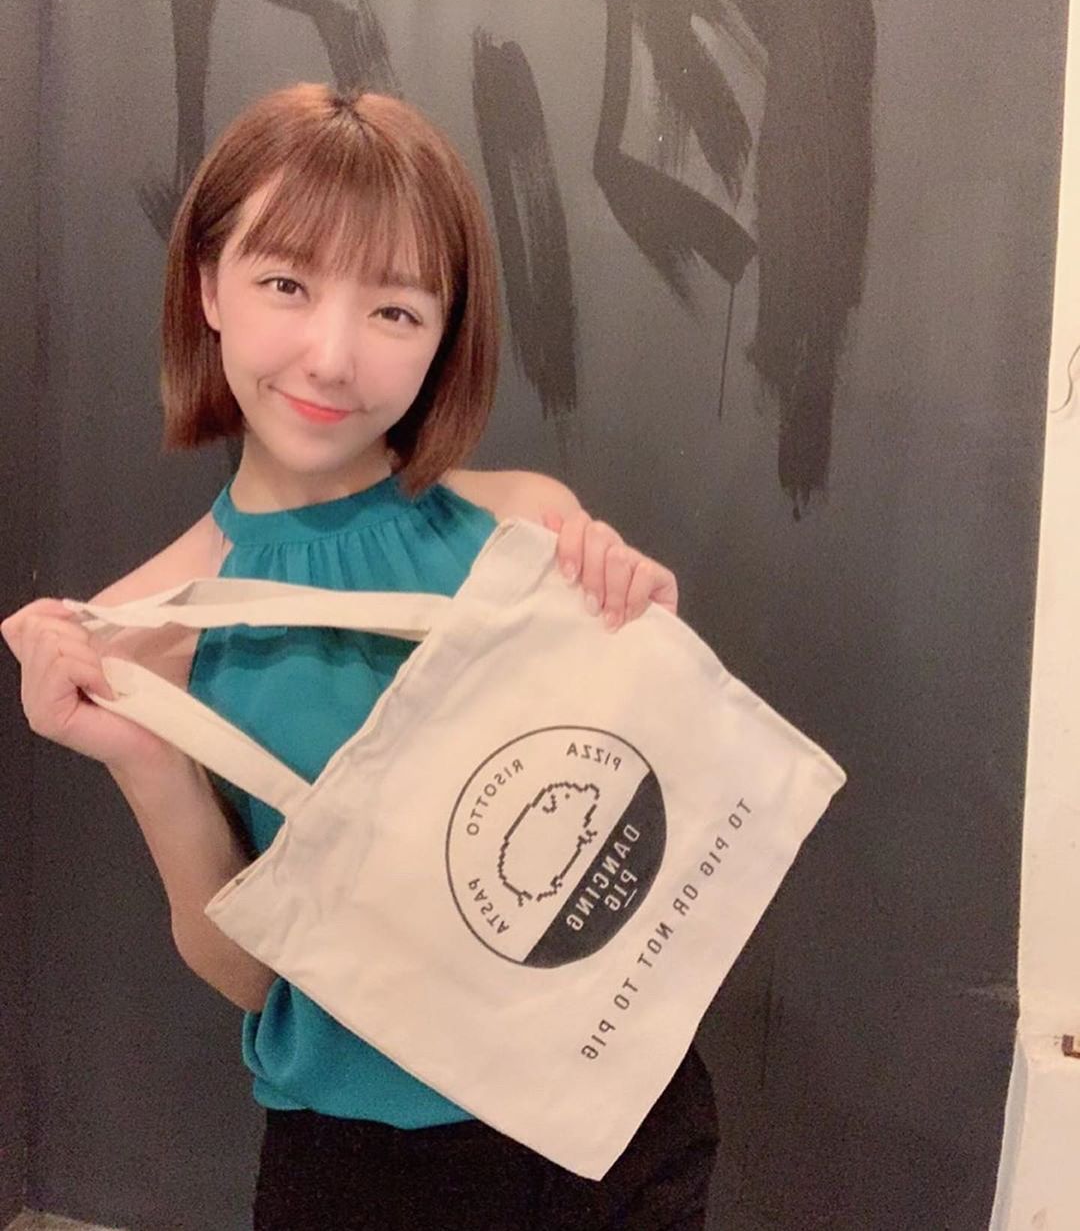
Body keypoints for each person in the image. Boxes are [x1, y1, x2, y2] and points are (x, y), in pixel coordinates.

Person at [2, 83, 719, 1229]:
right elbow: (252, 977)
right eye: (286, 284)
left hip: (617, 1109)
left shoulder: (526, 529)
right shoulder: (145, 628)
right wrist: (140, 753)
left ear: (445, 333)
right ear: (208, 286)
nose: (333, 359)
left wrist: (645, 648)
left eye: (395, 309)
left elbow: (630, 843)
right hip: (374, 1167)